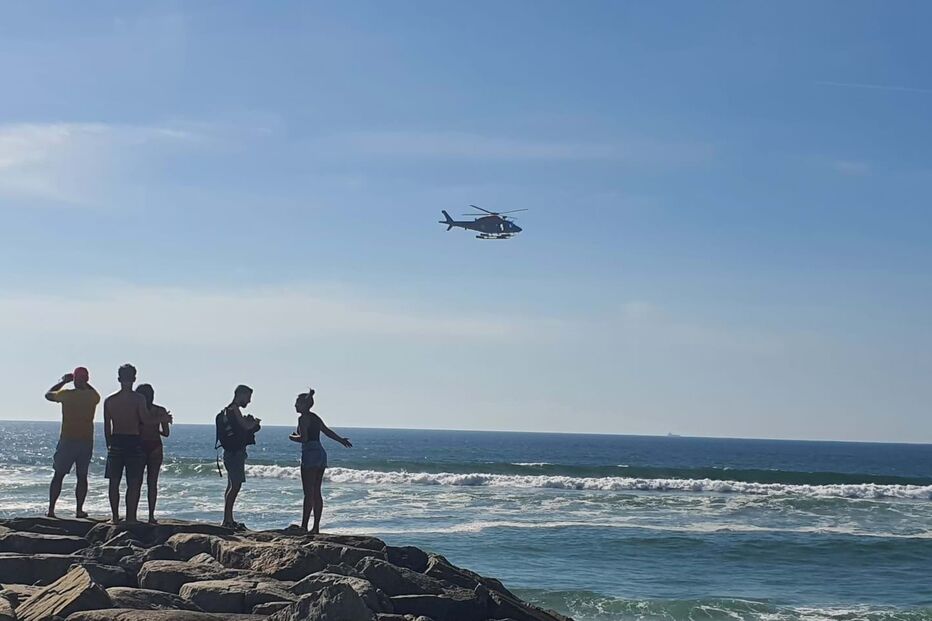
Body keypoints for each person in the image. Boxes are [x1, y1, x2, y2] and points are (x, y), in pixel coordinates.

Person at [103, 364, 172, 524]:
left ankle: (114, 517)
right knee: (133, 482)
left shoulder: (110, 401)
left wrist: (109, 445)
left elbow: (107, 427)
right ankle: (131, 517)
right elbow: (146, 420)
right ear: (134, 378)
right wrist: (163, 419)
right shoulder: (138, 399)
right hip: (133, 440)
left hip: (116, 440)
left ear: (119, 378)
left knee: (114, 481)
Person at [289, 388, 352, 534]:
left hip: (310, 453)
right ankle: (315, 527)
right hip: (320, 453)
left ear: (304, 405)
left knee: (308, 492)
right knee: (317, 491)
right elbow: (327, 431)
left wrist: (292, 437)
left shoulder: (303, 418)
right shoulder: (315, 417)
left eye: (297, 403)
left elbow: (304, 438)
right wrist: (341, 440)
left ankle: (304, 526)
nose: (295, 406)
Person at [44, 367, 100, 519]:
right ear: (87, 380)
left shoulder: (66, 395)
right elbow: (95, 393)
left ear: (74, 380)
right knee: (82, 477)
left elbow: (48, 395)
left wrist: (63, 381)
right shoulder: (92, 396)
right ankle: (79, 510)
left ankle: (51, 509)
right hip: (86, 441)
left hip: (68, 440)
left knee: (59, 475)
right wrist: (85, 382)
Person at [218, 385, 261, 529]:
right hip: (235, 453)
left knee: (231, 485)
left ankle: (228, 518)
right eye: (248, 398)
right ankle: (226, 520)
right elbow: (245, 426)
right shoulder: (234, 409)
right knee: (236, 485)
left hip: (230, 452)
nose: (248, 402)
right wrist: (254, 423)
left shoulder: (227, 410)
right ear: (241, 395)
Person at [136, 384, 171, 524]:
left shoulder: (137, 410)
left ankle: (132, 513)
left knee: (136, 483)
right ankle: (151, 515)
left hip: (139, 445)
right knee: (152, 483)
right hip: (156, 446)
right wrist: (157, 428)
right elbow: (166, 433)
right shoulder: (160, 411)